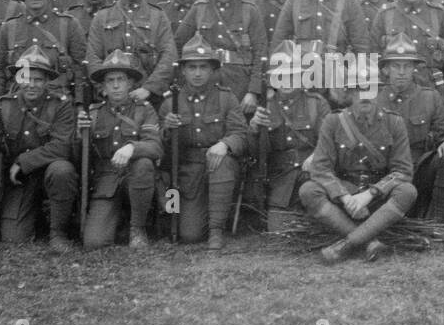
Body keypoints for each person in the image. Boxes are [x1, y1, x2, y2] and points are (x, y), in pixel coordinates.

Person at [300, 61, 417, 263]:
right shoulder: (334, 121)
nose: (364, 95)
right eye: (358, 89)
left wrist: (370, 194)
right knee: (308, 190)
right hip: (344, 196)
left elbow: (403, 171)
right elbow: (320, 167)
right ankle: (369, 241)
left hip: (378, 199)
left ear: (379, 92)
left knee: (407, 191)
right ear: (350, 94)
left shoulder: (394, 122)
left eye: (370, 88)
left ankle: (346, 245)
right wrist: (345, 197)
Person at [0, 46, 78, 250]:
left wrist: (23, 162)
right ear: (17, 79)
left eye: (38, 79)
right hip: (20, 181)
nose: (31, 84)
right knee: (13, 237)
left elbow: (61, 147)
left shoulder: (61, 105)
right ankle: (35, 217)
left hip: (49, 172)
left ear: (47, 81)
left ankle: (58, 233)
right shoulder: (4, 105)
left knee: (62, 170)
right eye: (25, 78)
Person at [159, 35, 250, 249]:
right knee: (189, 235)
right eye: (192, 67)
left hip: (218, 166)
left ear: (212, 70)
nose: (198, 73)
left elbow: (241, 135)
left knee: (223, 161)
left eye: (203, 67)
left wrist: (225, 144)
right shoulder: (170, 102)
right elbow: (162, 149)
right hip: (187, 171)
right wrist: (168, 130)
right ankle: (180, 221)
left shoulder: (226, 98)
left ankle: (216, 232)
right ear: (183, 70)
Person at [76, 50, 162, 250]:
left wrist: (132, 147)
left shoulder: (144, 109)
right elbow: (78, 157)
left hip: (135, 176)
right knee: (94, 243)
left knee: (143, 165)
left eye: (121, 79)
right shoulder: (93, 114)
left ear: (131, 83)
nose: (115, 85)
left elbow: (156, 147)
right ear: (103, 86)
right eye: (110, 80)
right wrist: (80, 134)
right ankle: (120, 219)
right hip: (106, 182)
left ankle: (137, 228)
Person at [375, 33, 444, 228]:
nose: (402, 72)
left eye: (407, 66)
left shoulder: (430, 97)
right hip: (384, 171)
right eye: (396, 66)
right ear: (386, 69)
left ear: (414, 69)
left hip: (419, 167)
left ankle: (434, 221)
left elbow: (443, 131)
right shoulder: (374, 100)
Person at [249, 40, 332, 232]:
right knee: (278, 234)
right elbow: (256, 154)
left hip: (312, 176)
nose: (286, 81)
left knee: (317, 225)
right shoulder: (266, 107)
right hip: (281, 180)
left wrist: (316, 157)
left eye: (291, 75)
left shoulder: (317, 104)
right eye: (280, 75)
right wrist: (254, 130)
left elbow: (330, 140)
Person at [174, 0, 267, 114]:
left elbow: (261, 54)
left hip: (240, 83)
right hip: (206, 83)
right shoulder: (199, 9)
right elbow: (176, 46)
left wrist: (253, 91)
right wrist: (185, 82)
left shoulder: (249, 11)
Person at [84, 0, 178, 107]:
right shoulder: (102, 16)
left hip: (148, 99)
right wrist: (105, 89)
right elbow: (93, 57)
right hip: (109, 100)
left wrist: (149, 89)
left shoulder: (158, 16)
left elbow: (169, 56)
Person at [0, 0, 87, 97]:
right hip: (18, 99)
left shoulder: (68, 24)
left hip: (57, 100)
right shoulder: (9, 27)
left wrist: (79, 104)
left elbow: (80, 69)